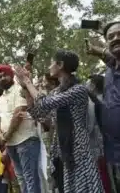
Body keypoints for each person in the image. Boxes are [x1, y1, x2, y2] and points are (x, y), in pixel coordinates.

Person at [14, 49, 104, 193]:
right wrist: (25, 87)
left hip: (78, 151)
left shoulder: (78, 90)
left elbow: (44, 103)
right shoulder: (57, 92)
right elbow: (38, 112)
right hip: (62, 151)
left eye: (51, 63)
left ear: (60, 65)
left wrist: (27, 81)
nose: (49, 67)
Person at [0, 64, 41, 193]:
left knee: (30, 177)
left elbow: (18, 114)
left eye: (5, 75)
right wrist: (0, 135)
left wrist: (6, 136)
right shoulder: (1, 97)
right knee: (21, 178)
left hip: (25, 140)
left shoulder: (20, 90)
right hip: (11, 143)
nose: (2, 78)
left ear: (12, 75)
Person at [86, 22, 120, 192]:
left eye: (119, 34)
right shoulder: (111, 70)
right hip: (114, 151)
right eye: (111, 37)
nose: (115, 39)